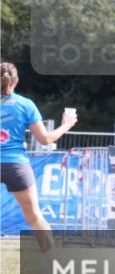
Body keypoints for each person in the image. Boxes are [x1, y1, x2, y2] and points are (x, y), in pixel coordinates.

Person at [0, 62, 77, 251]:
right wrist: (67, 124)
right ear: (16, 81)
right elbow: (45, 139)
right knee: (34, 216)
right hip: (16, 165)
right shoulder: (25, 104)